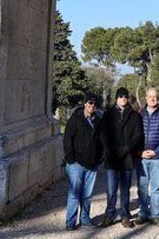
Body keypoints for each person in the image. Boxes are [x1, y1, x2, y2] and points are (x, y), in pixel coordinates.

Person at [99, 87, 144, 228]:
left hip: (127, 157)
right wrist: (111, 150)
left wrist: (125, 149)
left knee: (125, 189)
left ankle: (125, 215)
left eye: (125, 96)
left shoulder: (134, 115)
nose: (123, 98)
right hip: (112, 157)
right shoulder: (108, 114)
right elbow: (103, 134)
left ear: (128, 98)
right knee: (111, 189)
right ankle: (110, 215)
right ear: (116, 98)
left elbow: (137, 135)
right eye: (120, 96)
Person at [62, 94, 103, 231]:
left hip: (92, 164)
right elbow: (67, 139)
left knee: (87, 195)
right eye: (90, 103)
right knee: (74, 194)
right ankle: (70, 222)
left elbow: (102, 141)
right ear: (85, 103)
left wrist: (100, 157)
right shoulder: (75, 119)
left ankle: (85, 219)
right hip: (77, 164)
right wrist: (71, 159)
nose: (92, 106)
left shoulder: (98, 120)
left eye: (95, 104)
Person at [136, 87, 159, 226]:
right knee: (142, 187)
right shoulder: (139, 114)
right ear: (145, 98)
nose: (152, 99)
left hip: (157, 157)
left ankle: (155, 215)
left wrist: (156, 152)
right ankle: (142, 213)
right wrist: (140, 152)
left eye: (155, 97)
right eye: (150, 96)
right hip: (141, 157)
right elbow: (134, 136)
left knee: (156, 188)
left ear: (158, 98)